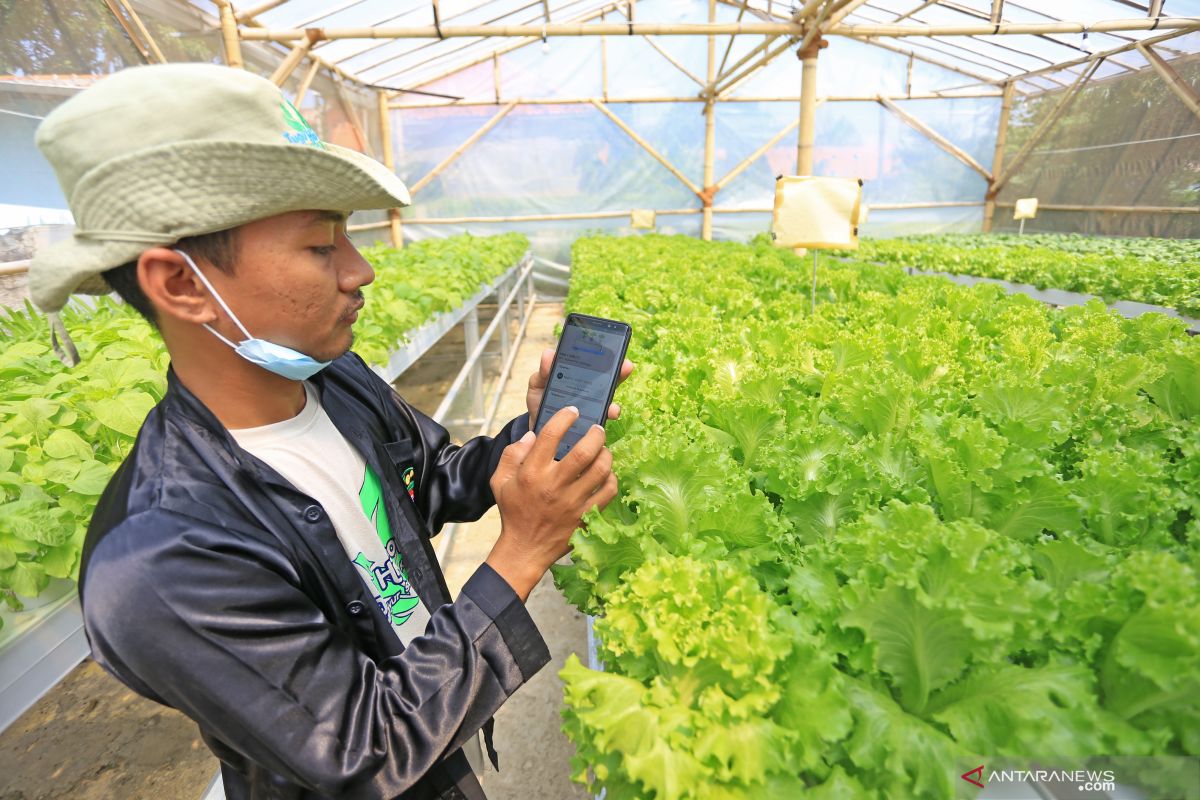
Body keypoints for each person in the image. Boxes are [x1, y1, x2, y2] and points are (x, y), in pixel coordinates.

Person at [28, 63, 630, 800]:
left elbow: (431, 481)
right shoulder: (159, 557)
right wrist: (523, 550)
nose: (362, 270)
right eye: (321, 248)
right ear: (182, 285)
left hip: (440, 740)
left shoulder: (330, 380)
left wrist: (532, 436)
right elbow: (364, 750)